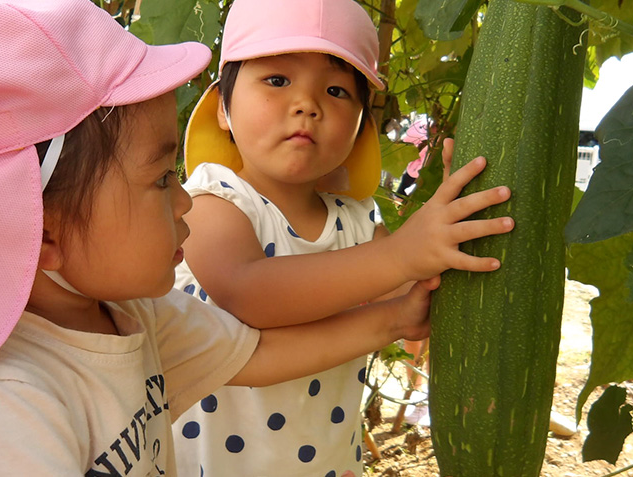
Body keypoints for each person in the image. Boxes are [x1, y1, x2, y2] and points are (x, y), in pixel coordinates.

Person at [0, 0, 450, 474]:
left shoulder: (133, 314)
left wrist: (395, 320)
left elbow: (253, 354)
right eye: (162, 179)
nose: (186, 198)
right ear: (41, 227)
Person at [171, 0, 514, 474]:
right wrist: (401, 256)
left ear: (359, 129)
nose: (307, 104)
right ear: (223, 110)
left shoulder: (356, 222)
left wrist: (455, 230)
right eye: (277, 80)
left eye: (336, 90)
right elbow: (248, 293)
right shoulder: (214, 201)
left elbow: (415, 296)